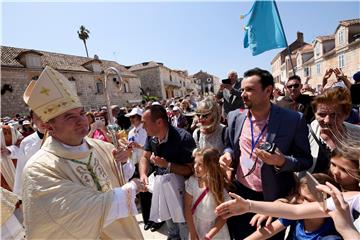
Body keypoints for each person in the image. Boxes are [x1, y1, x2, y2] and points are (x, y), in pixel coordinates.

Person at [21, 66, 144, 239]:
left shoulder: (102, 147)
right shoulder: (39, 168)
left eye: (81, 113)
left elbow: (120, 177)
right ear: (49, 127)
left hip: (124, 231)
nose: (82, 121)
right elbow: (71, 216)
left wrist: (123, 162)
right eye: (69, 117)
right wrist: (129, 191)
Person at [219, 67, 312, 239]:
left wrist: (281, 161)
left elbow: (305, 161)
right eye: (242, 90)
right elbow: (230, 145)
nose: (243, 94)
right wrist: (228, 154)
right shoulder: (235, 117)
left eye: (250, 90)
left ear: (268, 91)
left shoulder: (293, 120)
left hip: (272, 199)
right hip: (240, 193)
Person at [139, 104, 196, 240]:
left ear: (159, 122)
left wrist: (167, 165)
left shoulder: (183, 138)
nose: (143, 127)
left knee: (183, 224)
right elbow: (144, 157)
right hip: (162, 189)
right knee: (169, 222)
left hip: (181, 193)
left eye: (145, 123)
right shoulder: (151, 137)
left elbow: (191, 170)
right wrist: (143, 174)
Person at [244, 173, 341, 240]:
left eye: (306, 199)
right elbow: (268, 231)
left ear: (327, 206)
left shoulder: (330, 237)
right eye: (299, 195)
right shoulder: (299, 216)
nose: (298, 200)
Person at [307, 87, 360, 174]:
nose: (327, 120)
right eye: (321, 114)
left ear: (346, 114)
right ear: (314, 113)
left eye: (333, 115)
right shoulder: (304, 133)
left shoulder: (357, 134)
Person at [184, 148, 231, 240]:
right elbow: (187, 206)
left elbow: (223, 217)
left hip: (215, 233)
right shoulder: (192, 182)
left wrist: (209, 236)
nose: (195, 167)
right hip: (196, 227)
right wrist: (193, 233)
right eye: (195, 163)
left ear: (211, 167)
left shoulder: (219, 187)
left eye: (200, 164)